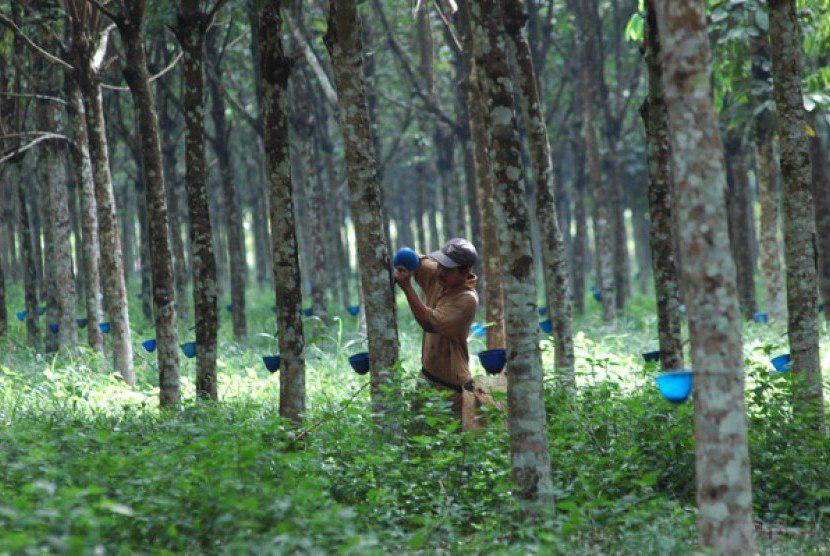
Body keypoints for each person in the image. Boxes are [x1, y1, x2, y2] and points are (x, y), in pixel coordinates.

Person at [393, 238, 482, 427]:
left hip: (451, 389)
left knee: (451, 447)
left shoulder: (466, 300)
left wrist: (407, 287)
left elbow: (429, 322)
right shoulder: (439, 274)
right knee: (417, 441)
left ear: (465, 272)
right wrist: (405, 259)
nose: (440, 272)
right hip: (425, 379)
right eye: (440, 264)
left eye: (448, 269)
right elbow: (414, 259)